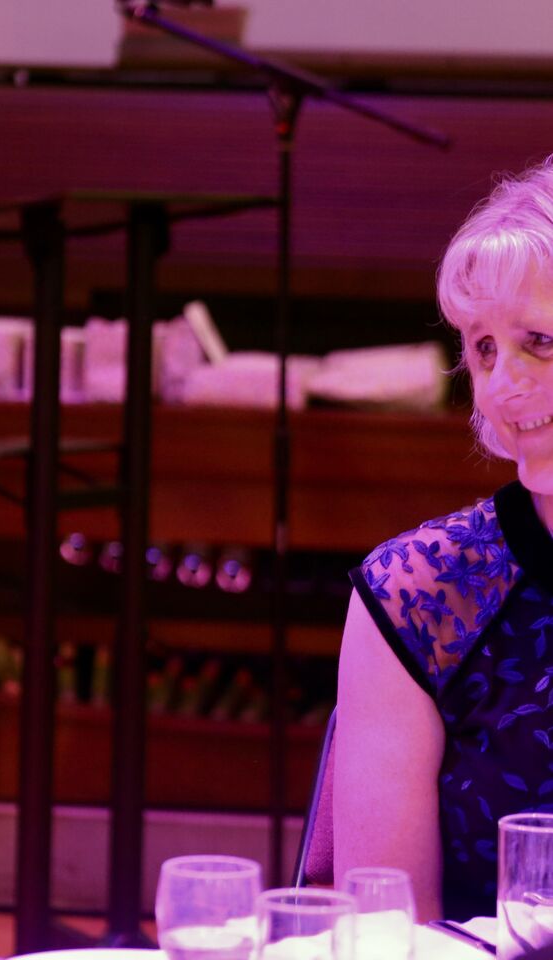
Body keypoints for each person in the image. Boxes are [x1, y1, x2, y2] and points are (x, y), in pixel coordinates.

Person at [333, 155, 553, 924]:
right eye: (484, 348)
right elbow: (386, 927)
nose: (500, 385)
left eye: (539, 341)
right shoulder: (417, 592)